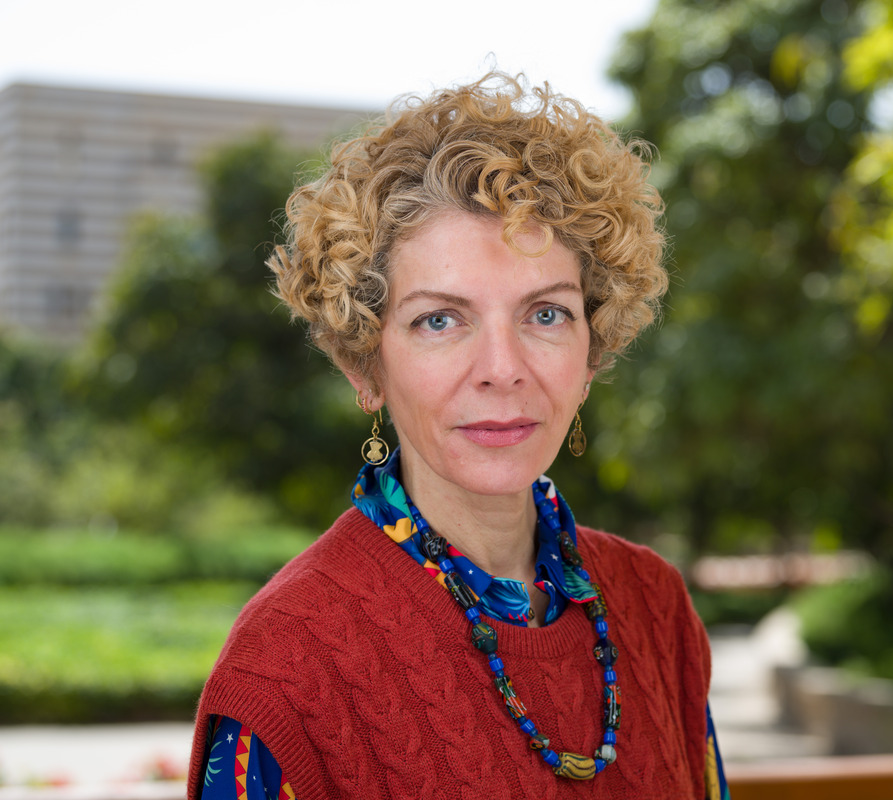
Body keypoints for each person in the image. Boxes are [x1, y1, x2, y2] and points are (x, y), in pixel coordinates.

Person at [186, 73, 729, 800]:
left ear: (592, 351)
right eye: (440, 320)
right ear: (363, 361)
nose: (502, 370)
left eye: (546, 315)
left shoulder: (655, 609)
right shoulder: (288, 667)